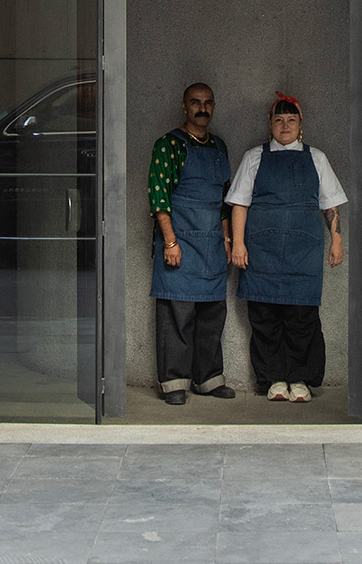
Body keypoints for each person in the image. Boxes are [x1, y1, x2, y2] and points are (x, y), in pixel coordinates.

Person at [226, 92, 347, 403]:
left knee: (302, 318)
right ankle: (274, 379)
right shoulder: (254, 157)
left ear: (300, 124)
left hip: (303, 253)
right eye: (279, 120)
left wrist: (336, 239)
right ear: (270, 124)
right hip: (261, 252)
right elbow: (239, 203)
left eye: (291, 119)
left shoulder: (316, 158)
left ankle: (300, 379)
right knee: (264, 318)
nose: (285, 125)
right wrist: (238, 243)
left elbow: (330, 205)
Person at [148, 82, 238, 406]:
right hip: (180, 243)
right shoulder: (169, 145)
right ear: (184, 107)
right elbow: (159, 199)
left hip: (213, 244)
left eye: (208, 102)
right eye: (195, 102)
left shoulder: (220, 148)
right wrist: (170, 242)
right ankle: (173, 383)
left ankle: (209, 379)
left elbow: (225, 201)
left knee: (213, 315)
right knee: (178, 315)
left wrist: (227, 240)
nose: (203, 108)